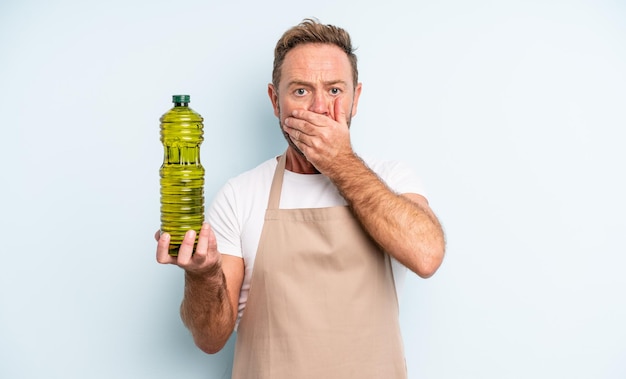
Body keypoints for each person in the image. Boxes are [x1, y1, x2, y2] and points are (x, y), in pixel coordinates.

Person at [156, 18, 445, 379]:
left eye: (336, 91)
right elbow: (210, 338)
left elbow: (427, 255)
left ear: (356, 99)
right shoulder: (240, 194)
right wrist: (203, 276)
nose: (319, 108)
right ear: (275, 101)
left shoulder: (393, 179)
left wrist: (340, 162)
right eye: (301, 91)